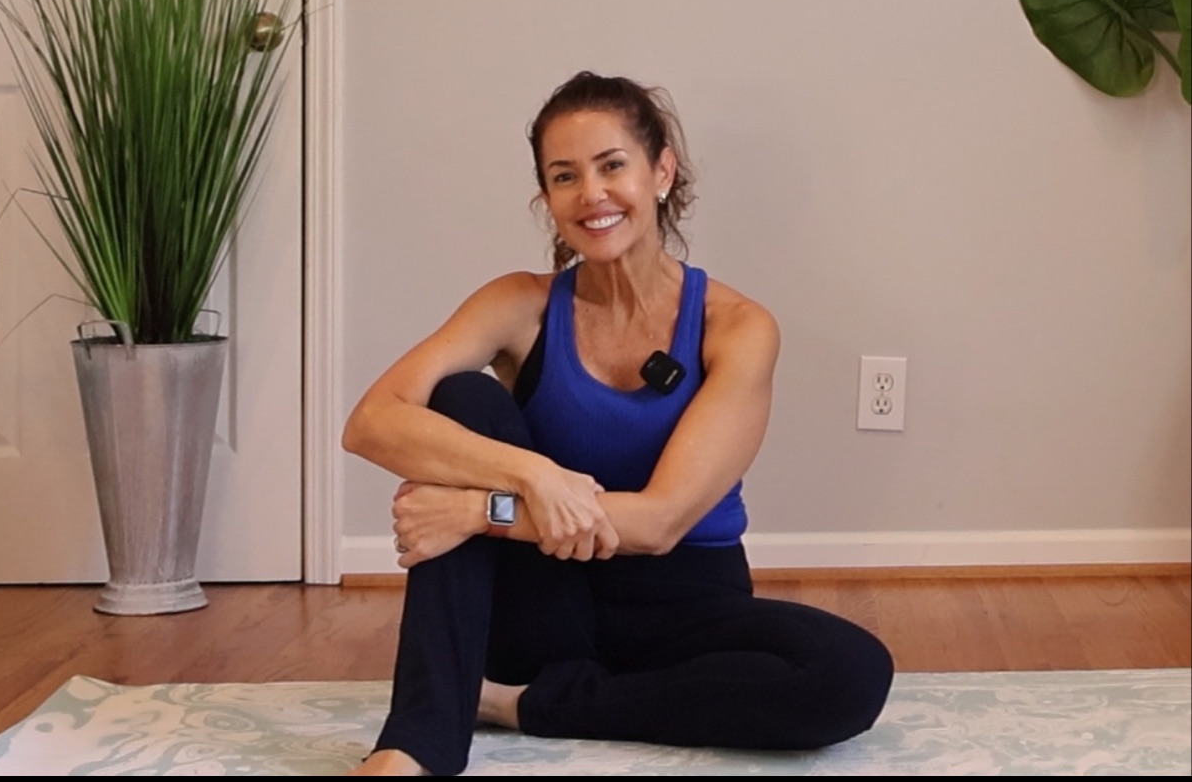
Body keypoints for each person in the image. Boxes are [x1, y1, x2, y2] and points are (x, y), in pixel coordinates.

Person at [341, 71, 894, 776]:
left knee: (848, 673)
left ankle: (516, 705)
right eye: (564, 176)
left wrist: (482, 511)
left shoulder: (735, 326)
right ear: (546, 197)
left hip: (685, 602)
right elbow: (371, 421)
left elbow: (660, 522)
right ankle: (413, 747)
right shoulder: (520, 305)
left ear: (661, 172)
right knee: (463, 400)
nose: (591, 194)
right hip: (544, 601)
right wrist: (532, 475)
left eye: (611, 166)